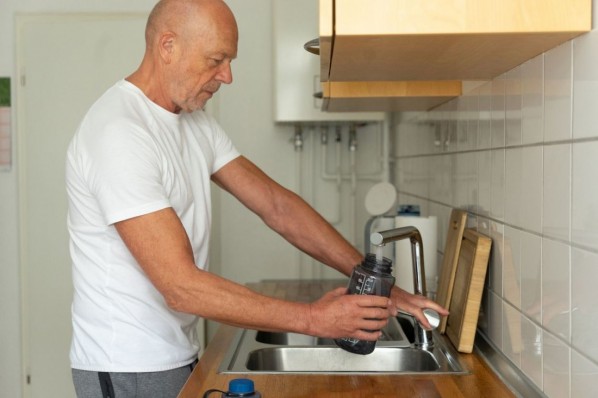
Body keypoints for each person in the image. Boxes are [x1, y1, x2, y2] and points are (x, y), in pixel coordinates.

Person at [65, 0, 448, 396]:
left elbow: (277, 206)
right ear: (167, 46)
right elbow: (180, 285)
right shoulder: (119, 133)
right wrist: (316, 319)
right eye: (216, 60)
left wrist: (371, 280)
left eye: (229, 60)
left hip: (174, 352)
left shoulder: (193, 122)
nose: (227, 76)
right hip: (128, 365)